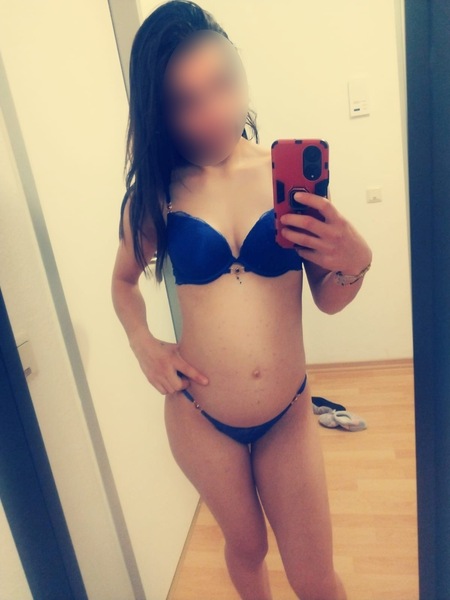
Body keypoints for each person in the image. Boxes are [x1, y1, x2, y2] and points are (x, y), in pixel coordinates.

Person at [111, 2, 372, 598]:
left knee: (315, 577)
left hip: (289, 415)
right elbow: (122, 282)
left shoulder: (287, 184)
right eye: (186, 100)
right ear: (159, 111)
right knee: (247, 547)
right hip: (200, 419)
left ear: (240, 73)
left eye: (223, 84)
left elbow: (328, 301)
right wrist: (143, 343)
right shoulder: (155, 197)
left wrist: (354, 259)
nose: (213, 113)